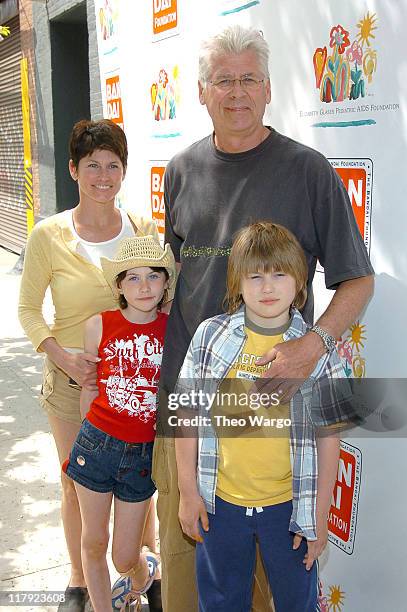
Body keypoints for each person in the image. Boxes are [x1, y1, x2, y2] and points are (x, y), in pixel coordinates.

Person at [152, 24, 374, 612]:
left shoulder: (308, 171)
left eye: (249, 78)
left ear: (269, 88)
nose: (237, 92)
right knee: (194, 587)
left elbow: (359, 279)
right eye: (223, 80)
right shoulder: (179, 170)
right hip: (191, 411)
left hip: (279, 424)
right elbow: (175, 283)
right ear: (201, 92)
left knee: (283, 591)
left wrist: (313, 345)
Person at [18, 119, 160, 611]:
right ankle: (81, 580)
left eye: (113, 166)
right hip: (70, 384)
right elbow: (28, 310)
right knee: (78, 484)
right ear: (74, 170)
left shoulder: (143, 231)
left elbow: (162, 304)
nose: (103, 175)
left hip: (135, 389)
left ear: (124, 172)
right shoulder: (48, 236)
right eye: (93, 165)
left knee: (138, 480)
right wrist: (63, 357)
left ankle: (143, 565)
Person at [174, 221, 350, 611]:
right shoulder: (210, 337)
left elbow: (329, 437)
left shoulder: (316, 352)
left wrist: (318, 516)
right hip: (219, 506)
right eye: (254, 276)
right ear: (236, 283)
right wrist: (188, 492)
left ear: (300, 282)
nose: (267, 287)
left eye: (279, 274)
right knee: (221, 602)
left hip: (289, 511)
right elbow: (185, 413)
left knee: (296, 603)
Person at [61, 235, 176, 612]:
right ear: (119, 286)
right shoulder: (98, 325)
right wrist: (86, 434)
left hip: (143, 454)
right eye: (133, 278)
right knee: (93, 541)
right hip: (96, 445)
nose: (144, 287)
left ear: (164, 283)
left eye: (153, 277)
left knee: (124, 558)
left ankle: (145, 575)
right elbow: (90, 388)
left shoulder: (174, 330)